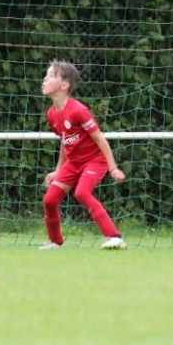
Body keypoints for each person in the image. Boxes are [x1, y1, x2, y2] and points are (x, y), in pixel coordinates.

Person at [40, 60, 127, 250]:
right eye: (46, 75)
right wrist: (58, 170)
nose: (45, 79)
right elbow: (65, 141)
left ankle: (115, 237)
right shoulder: (52, 113)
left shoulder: (79, 111)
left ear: (64, 86)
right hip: (73, 162)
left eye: (51, 76)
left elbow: (100, 140)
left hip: (95, 159)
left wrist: (113, 168)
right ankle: (55, 242)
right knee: (49, 200)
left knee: (81, 192)